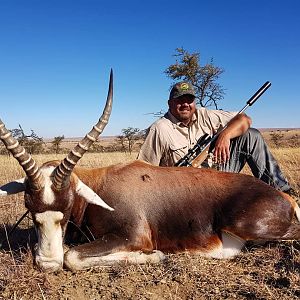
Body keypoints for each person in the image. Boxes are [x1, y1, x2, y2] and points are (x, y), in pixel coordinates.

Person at [138, 81, 293, 194]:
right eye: (179, 100)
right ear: (169, 103)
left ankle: (284, 192)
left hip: (217, 174)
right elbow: (143, 173)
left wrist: (225, 135)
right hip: (182, 191)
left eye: (189, 99)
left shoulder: (205, 115)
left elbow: (244, 119)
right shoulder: (159, 129)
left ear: (194, 102)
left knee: (251, 135)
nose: (185, 104)